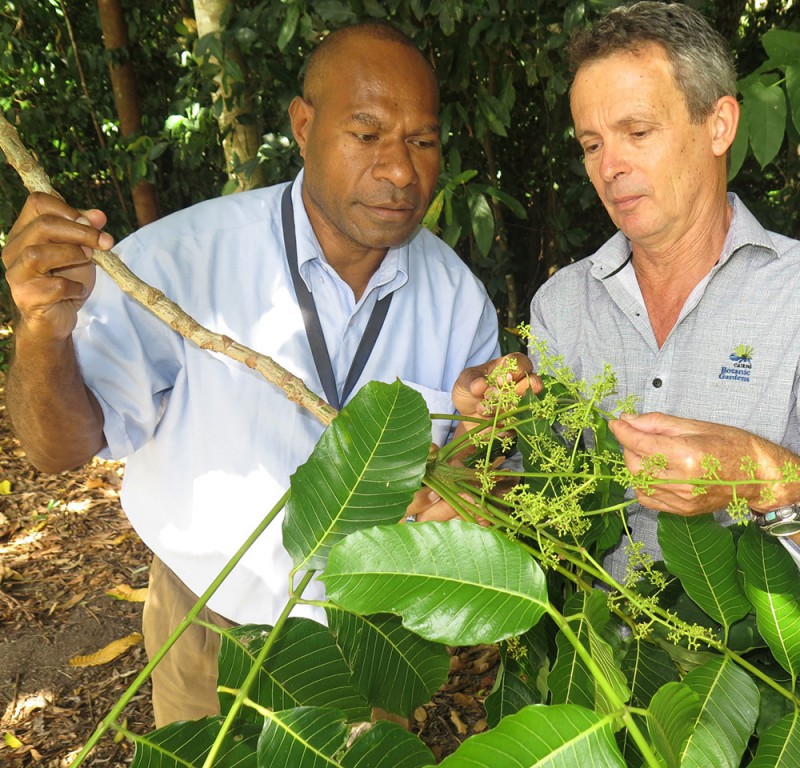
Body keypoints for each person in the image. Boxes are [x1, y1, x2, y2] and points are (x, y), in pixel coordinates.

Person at [1, 22, 503, 726]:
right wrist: (43, 329)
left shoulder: (456, 300)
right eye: (366, 135)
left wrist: (475, 458)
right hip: (210, 628)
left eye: (422, 141)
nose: (399, 170)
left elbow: (475, 470)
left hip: (371, 640)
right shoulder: (180, 263)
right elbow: (57, 450)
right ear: (304, 126)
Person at [466, 1, 800, 592]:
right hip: (587, 667)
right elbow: (532, 498)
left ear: (719, 126)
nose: (610, 166)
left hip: (755, 664)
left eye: (637, 132)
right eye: (591, 145)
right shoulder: (561, 305)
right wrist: (483, 436)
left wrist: (763, 479)